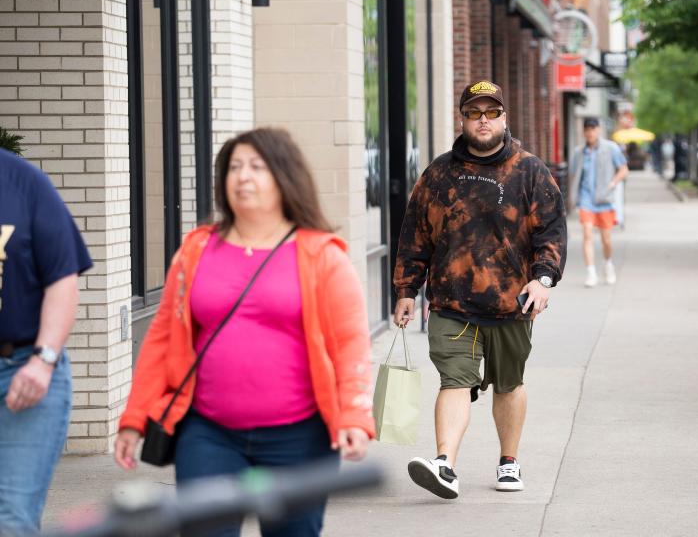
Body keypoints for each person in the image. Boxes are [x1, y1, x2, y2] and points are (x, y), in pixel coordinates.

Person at [113, 128, 374, 537]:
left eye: (256, 167)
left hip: (300, 438)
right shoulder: (197, 250)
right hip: (209, 434)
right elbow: (163, 336)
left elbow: (350, 343)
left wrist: (354, 416)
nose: (242, 177)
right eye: (234, 167)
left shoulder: (321, 255)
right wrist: (135, 418)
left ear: (285, 177)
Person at [393, 80, 566, 499]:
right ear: (463, 118)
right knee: (454, 379)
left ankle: (509, 461)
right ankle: (445, 465)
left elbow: (552, 234)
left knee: (508, 384)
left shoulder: (530, 171)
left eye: (491, 112)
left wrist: (543, 280)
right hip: (451, 302)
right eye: (474, 113)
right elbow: (415, 235)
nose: (483, 120)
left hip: (511, 303)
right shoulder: (439, 173)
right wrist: (406, 289)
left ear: (504, 117)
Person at [0, 148, 92, 533]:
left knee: (12, 520)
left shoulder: (22, 183)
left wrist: (43, 360)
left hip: (22, 370)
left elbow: (62, 279)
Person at [569, 117, 629, 287]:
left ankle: (608, 264)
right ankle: (591, 272)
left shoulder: (611, 148)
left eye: (593, 129)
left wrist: (613, 183)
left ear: (599, 130)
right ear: (583, 131)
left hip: (604, 199)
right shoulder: (578, 152)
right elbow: (574, 175)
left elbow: (624, 169)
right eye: (587, 129)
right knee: (587, 233)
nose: (590, 132)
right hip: (586, 199)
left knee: (606, 239)